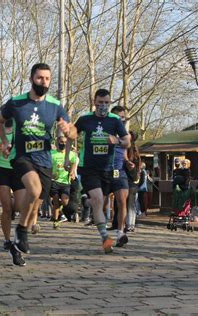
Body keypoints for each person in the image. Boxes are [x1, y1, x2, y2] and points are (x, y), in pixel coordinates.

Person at [0, 62, 76, 265]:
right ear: (32, 78)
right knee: (34, 189)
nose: (44, 82)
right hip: (22, 156)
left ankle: (19, 235)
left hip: (44, 159)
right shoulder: (16, 102)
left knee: (34, 200)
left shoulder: (55, 105)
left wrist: (68, 130)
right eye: (40, 78)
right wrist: (5, 142)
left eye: (47, 78)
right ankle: (22, 231)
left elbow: (72, 132)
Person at [74, 89, 130, 253]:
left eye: (106, 103)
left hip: (111, 169)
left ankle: (119, 231)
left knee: (111, 200)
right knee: (99, 200)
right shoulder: (85, 119)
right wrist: (66, 150)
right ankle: (105, 237)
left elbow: (127, 141)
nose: (103, 106)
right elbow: (72, 134)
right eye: (100, 103)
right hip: (89, 168)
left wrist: (117, 140)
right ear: (94, 102)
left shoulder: (114, 120)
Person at [0, 119, 25, 256]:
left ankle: (13, 208)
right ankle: (7, 239)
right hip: (3, 170)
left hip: (18, 169)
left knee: (20, 206)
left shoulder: (21, 131)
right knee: (6, 207)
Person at [50, 134, 77, 229]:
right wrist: (50, 174)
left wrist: (72, 171)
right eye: (61, 142)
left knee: (65, 202)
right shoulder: (52, 154)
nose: (63, 144)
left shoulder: (71, 154)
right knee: (56, 201)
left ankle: (56, 211)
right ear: (57, 143)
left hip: (66, 182)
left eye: (65, 142)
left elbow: (74, 161)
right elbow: (47, 166)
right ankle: (56, 221)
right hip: (54, 181)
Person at [125, 131, 141, 233]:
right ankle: (131, 224)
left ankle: (128, 224)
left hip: (129, 180)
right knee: (132, 204)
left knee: (128, 204)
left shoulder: (128, 150)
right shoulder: (136, 151)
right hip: (135, 180)